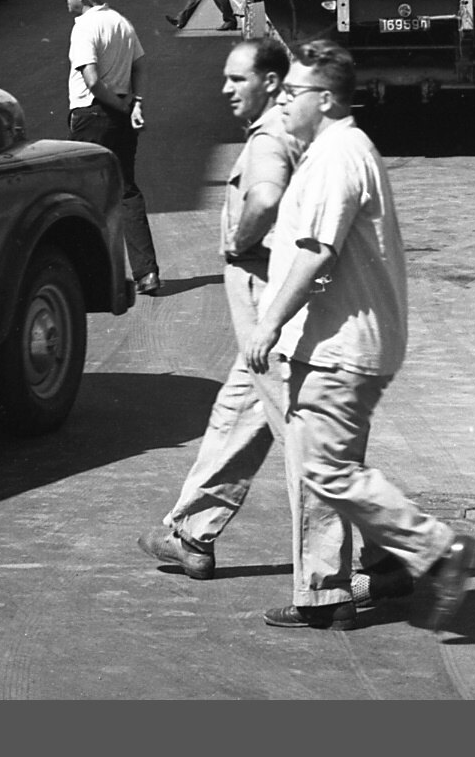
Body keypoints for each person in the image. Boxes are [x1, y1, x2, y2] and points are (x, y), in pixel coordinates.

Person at [248, 40, 475, 633]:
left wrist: (268, 322)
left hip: (340, 346)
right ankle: (363, 577)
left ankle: (438, 550)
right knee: (325, 463)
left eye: (293, 92)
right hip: (338, 342)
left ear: (325, 99)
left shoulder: (336, 156)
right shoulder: (337, 150)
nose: (283, 102)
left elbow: (317, 253)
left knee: (326, 469)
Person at [142, 33, 302, 579]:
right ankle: (192, 532)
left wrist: (238, 241)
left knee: (308, 441)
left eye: (238, 79)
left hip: (273, 310)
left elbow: (266, 197)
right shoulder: (284, 128)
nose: (227, 89)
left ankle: (389, 547)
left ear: (271, 82)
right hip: (265, 317)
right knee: (236, 414)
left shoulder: (271, 136)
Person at [61, 0, 160, 295]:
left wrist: (119, 105)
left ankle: (93, 278)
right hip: (121, 117)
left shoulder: (84, 27)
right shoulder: (121, 22)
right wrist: (135, 104)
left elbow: (91, 80)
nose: (66, 1)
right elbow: (140, 65)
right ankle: (147, 273)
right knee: (126, 191)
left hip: (92, 116)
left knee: (84, 196)